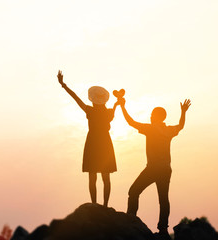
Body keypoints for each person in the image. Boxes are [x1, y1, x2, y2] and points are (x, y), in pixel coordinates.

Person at [119, 97, 191, 239]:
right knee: (163, 199)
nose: (150, 117)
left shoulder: (150, 128)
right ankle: (163, 228)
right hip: (166, 169)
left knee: (133, 191)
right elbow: (181, 126)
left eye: (152, 115)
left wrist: (122, 106)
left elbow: (131, 122)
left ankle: (131, 219)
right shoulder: (168, 130)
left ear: (155, 117)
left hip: (153, 169)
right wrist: (183, 112)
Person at [57, 70, 119, 207]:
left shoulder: (90, 111)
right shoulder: (108, 112)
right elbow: (114, 110)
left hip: (92, 142)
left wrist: (63, 85)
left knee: (92, 176)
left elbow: (75, 98)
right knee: (106, 176)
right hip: (105, 143)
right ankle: (105, 205)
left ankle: (94, 204)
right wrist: (117, 103)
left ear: (93, 99)